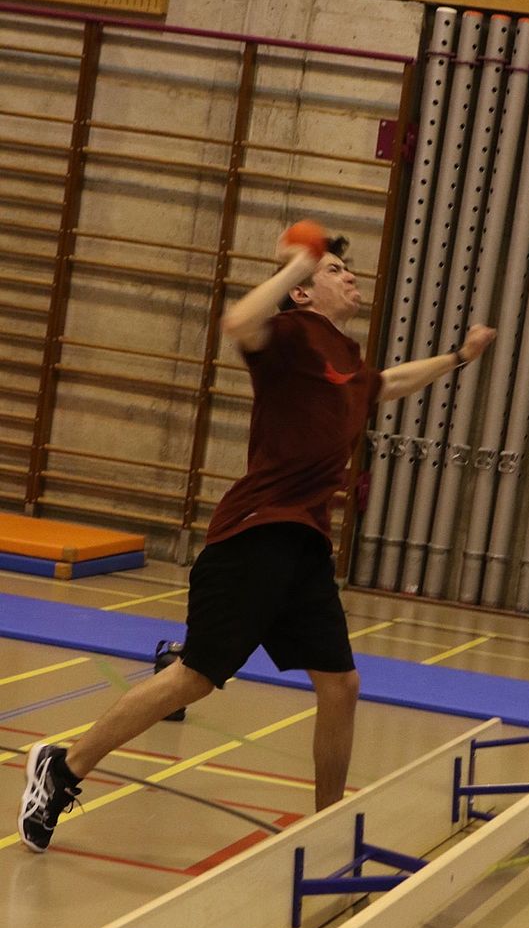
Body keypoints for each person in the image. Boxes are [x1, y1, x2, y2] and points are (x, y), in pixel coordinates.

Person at [18, 223, 496, 852]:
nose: (350, 276)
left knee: (341, 685)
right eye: (334, 271)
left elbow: (391, 383)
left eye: (346, 270)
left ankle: (327, 826)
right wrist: (299, 263)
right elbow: (238, 321)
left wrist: (459, 358)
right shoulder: (290, 336)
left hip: (305, 545)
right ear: (302, 291)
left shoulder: (347, 360)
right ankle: (63, 768)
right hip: (254, 532)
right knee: (195, 677)